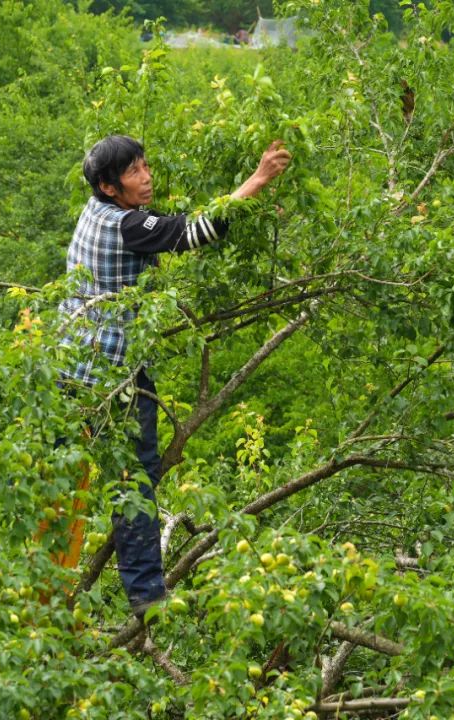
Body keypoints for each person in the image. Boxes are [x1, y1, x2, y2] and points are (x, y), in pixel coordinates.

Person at [57, 134, 291, 620]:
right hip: (114, 379)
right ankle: (146, 595)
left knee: (63, 487)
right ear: (108, 185)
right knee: (133, 480)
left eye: (146, 166)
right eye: (134, 172)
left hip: (67, 370)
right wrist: (259, 179)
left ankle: (45, 589)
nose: (147, 178)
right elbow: (195, 231)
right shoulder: (125, 225)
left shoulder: (92, 213)